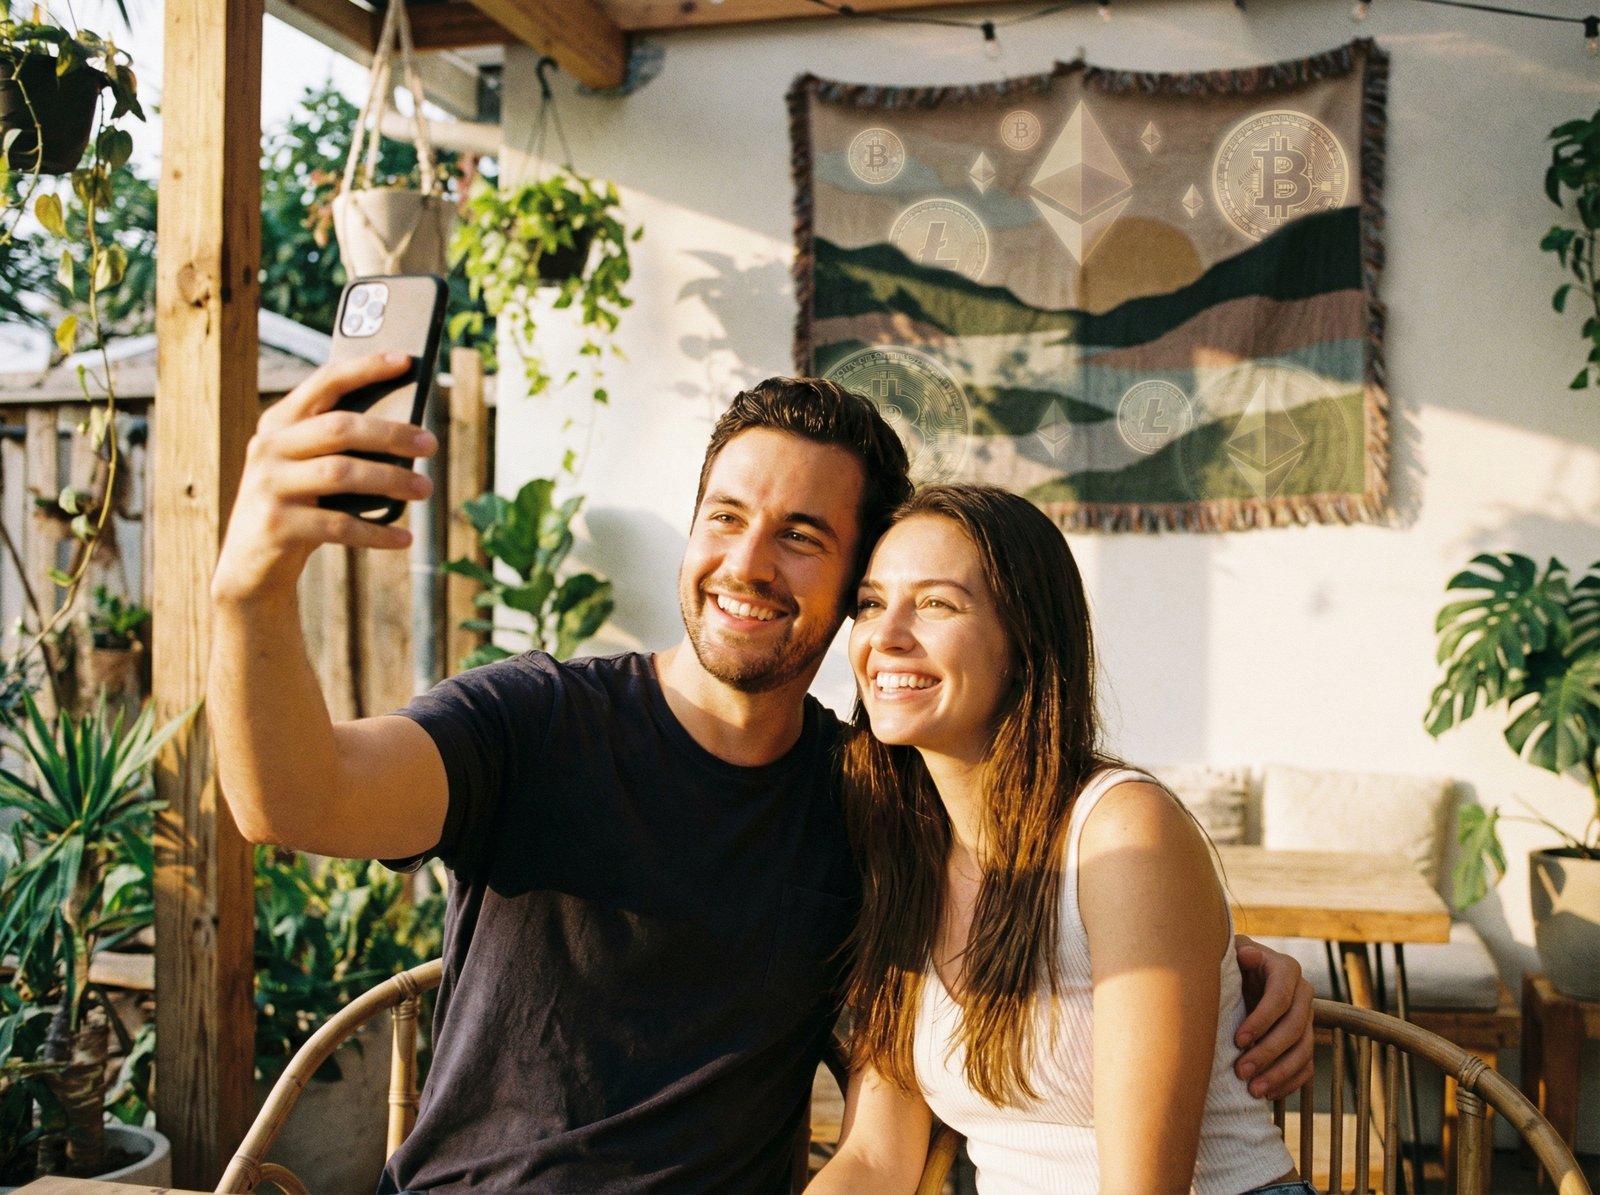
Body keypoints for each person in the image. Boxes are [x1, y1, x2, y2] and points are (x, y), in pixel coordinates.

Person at [207, 354, 1315, 1193]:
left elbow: (1032, 942)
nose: (746, 562)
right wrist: (251, 585)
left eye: (800, 535)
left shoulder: (867, 805)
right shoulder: (536, 721)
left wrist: (1205, 956)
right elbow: (294, 801)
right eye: (725, 518)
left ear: (844, 580)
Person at [809, 483, 1313, 1195]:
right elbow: (875, 1158)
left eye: (935, 603)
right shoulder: (904, 854)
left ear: (1023, 643)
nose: (885, 635)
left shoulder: (1123, 833)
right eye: (870, 602)